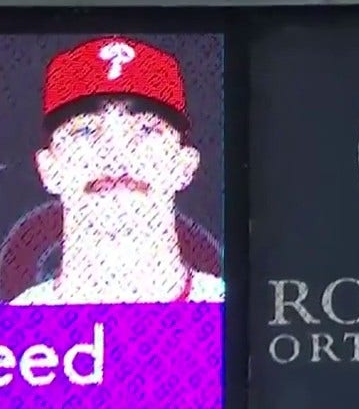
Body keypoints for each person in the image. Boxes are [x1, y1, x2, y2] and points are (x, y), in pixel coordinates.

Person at [9, 37, 225, 305]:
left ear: (184, 165)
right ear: (49, 168)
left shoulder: (228, 309)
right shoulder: (15, 325)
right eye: (86, 130)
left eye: (146, 129)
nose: (116, 154)